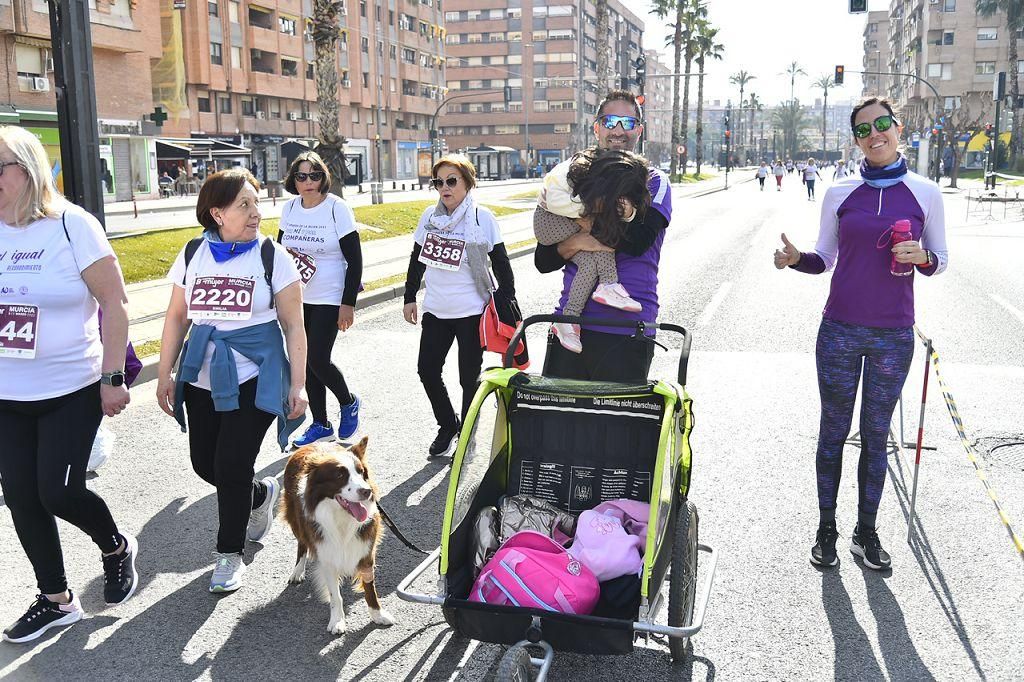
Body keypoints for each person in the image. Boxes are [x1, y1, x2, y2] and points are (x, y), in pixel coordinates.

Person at [773, 97, 948, 571]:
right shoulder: (839, 193)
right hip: (840, 330)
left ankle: (865, 531)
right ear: (856, 140)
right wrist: (796, 260)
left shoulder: (926, 193)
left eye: (883, 125)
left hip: (893, 335)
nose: (876, 134)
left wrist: (923, 259)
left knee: (876, 436)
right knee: (833, 431)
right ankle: (826, 528)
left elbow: (941, 259)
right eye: (864, 129)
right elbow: (824, 258)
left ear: (898, 128)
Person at [0, 125, 139, 644]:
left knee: (57, 491)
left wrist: (112, 378)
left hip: (71, 387)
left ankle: (116, 548)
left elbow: (115, 304)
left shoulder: (71, 225)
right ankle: (56, 598)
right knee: (21, 496)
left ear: (29, 170)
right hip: (7, 392)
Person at [156, 168, 308, 593]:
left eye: (257, 202)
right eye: (245, 205)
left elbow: (294, 326)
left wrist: (298, 385)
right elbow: (176, 317)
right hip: (202, 375)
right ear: (217, 213)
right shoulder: (192, 253)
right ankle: (259, 495)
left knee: (230, 463)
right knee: (205, 464)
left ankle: (228, 556)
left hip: (256, 375)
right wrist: (165, 373)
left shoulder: (272, 256)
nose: (256, 213)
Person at [534, 90, 673, 382]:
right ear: (596, 127)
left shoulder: (654, 181)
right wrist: (578, 241)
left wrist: (585, 226)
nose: (618, 130)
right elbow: (544, 259)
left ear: (639, 129)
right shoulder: (576, 178)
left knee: (619, 426)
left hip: (627, 329)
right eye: (610, 121)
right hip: (569, 324)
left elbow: (638, 242)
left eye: (627, 121)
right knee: (556, 425)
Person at [402, 155, 516, 457]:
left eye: (451, 181)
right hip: (436, 309)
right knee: (427, 370)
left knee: (469, 378)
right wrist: (409, 296)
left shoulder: (482, 218)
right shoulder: (429, 217)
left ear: (468, 182)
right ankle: (447, 425)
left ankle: (466, 432)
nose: (444, 188)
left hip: (471, 312)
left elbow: (502, 264)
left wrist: (509, 303)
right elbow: (416, 259)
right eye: (438, 182)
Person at [277, 151, 364, 448]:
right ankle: (321, 424)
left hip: (330, 295)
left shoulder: (336, 208)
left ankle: (348, 401)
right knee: (304, 361)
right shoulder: (289, 209)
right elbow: (279, 252)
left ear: (323, 177)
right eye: (301, 176)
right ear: (294, 180)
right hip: (298, 297)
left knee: (317, 358)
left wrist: (347, 302)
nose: (308, 182)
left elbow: (355, 259)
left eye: (314, 175)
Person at [533, 148, 650, 353]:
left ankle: (569, 319)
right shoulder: (568, 184)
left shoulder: (600, 175)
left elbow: (636, 236)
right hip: (549, 223)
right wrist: (605, 216)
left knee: (588, 265)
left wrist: (626, 211)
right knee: (604, 229)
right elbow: (543, 259)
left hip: (560, 220)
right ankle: (608, 283)